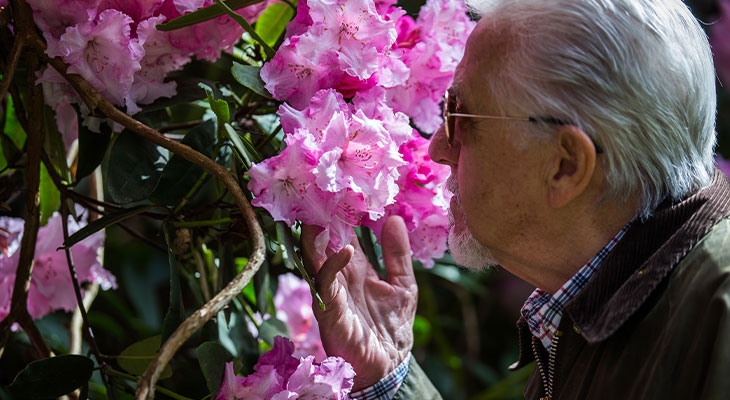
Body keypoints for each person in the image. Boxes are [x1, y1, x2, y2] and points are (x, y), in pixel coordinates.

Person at [300, 0, 730, 398]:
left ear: (565, 166)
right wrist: (391, 379)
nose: (436, 149)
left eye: (459, 116)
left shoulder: (718, 315)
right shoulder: (604, 298)